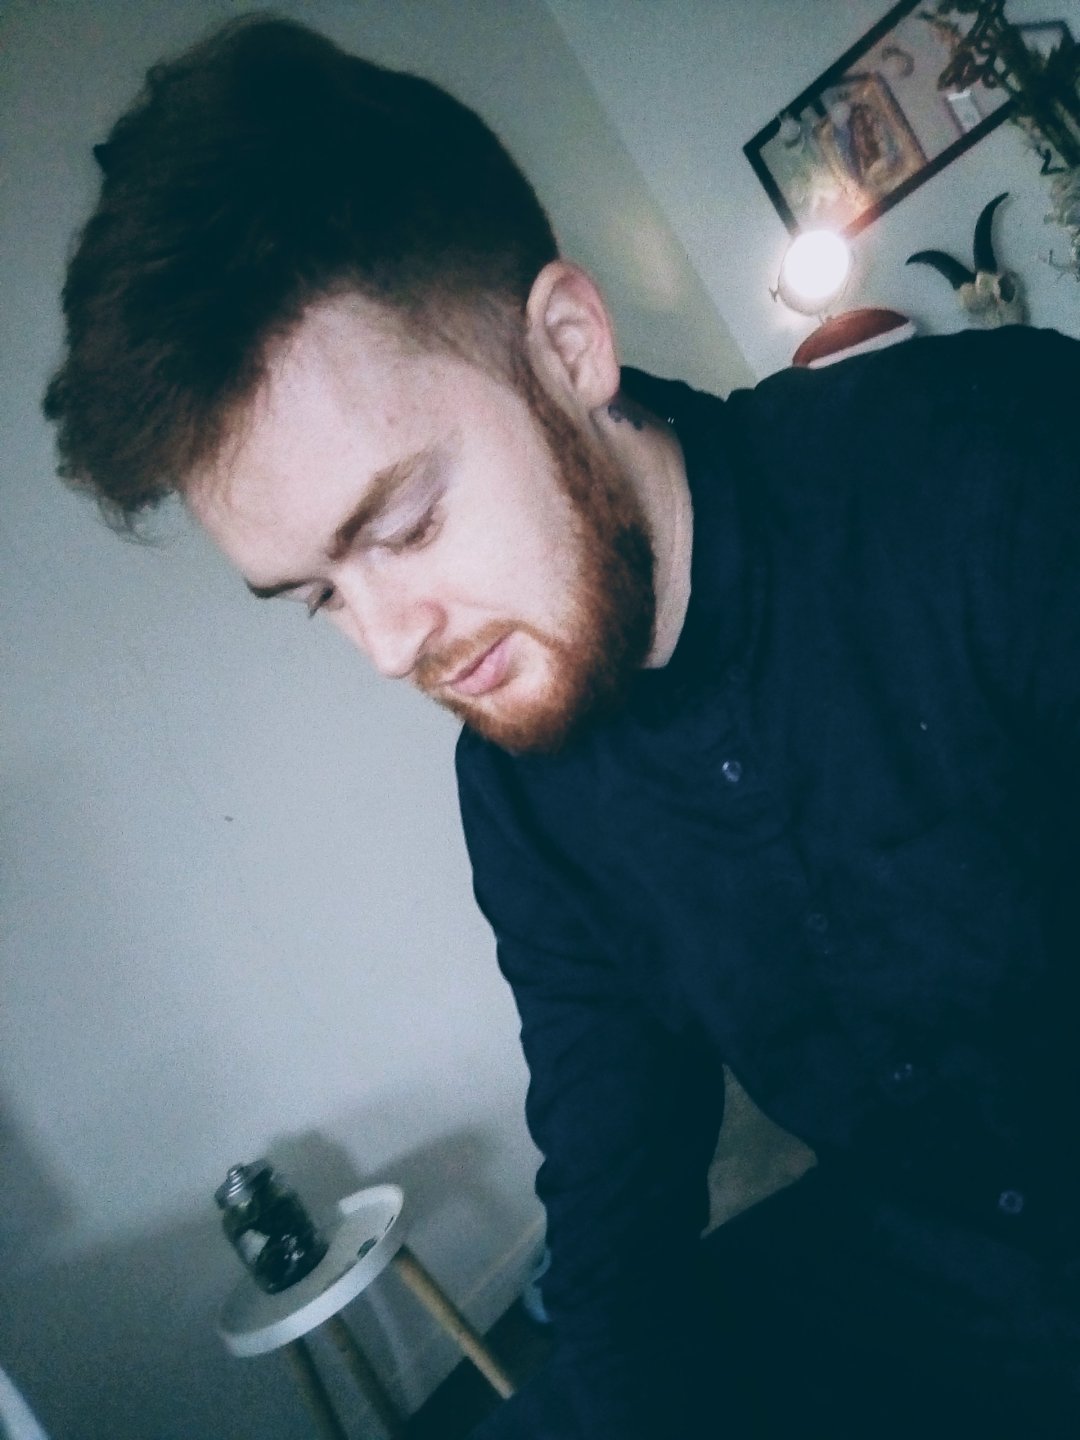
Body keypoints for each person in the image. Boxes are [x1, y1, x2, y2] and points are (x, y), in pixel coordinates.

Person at [42, 16, 1080, 1439]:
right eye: (319, 596)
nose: (389, 644)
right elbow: (615, 1184)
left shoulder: (996, 468)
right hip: (937, 1278)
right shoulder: (520, 791)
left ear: (571, 346)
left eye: (406, 524)